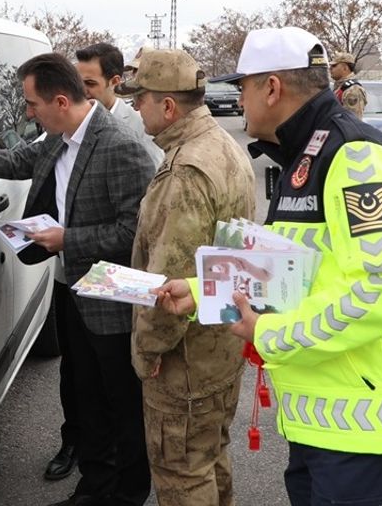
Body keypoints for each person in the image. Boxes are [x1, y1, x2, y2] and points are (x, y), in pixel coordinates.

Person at [155, 27, 382, 506]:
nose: (238, 100)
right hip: (322, 427)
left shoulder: (357, 160)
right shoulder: (304, 153)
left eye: (243, 87)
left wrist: (267, 334)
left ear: (271, 88)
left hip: (372, 437)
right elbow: (291, 269)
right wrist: (203, 291)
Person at [0, 52, 154, 506]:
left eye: (32, 104)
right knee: (88, 400)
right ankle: (94, 489)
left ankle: (128, 494)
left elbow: (134, 231)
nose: (27, 113)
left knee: (121, 406)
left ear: (60, 100)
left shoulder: (120, 145)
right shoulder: (57, 137)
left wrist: (67, 239)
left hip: (111, 302)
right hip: (75, 292)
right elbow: (16, 161)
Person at [116, 49, 255, 505]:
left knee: (181, 470)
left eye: (141, 101)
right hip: (220, 343)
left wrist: (148, 351)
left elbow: (168, 283)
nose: (136, 109)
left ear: (168, 106)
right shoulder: (221, 146)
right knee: (210, 455)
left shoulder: (186, 169)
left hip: (185, 360)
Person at [76, 43, 163, 167]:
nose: (81, 90)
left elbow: (154, 177)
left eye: (90, 83)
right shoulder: (72, 122)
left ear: (115, 82)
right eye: (78, 82)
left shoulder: (141, 126)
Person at [329, 51, 368, 119]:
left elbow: (353, 121)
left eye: (334, 66)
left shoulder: (353, 90)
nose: (330, 68)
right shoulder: (340, 87)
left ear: (345, 68)